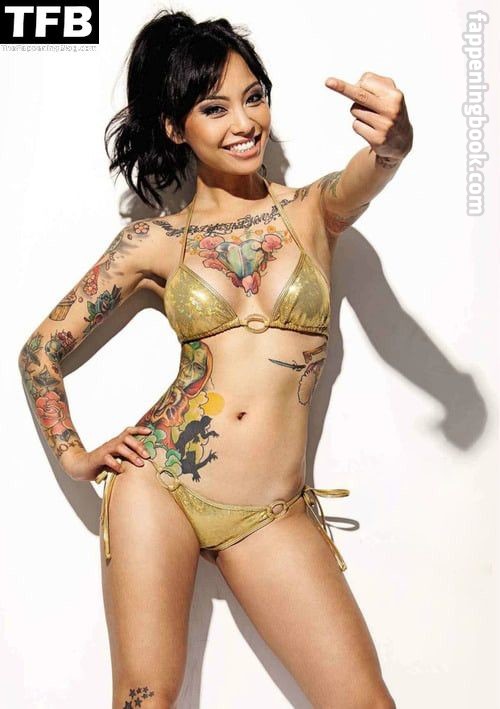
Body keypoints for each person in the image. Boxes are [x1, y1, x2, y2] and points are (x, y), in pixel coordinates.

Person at [19, 8, 412, 708]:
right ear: (177, 127)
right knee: (145, 699)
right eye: (214, 107)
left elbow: (369, 173)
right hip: (159, 484)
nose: (244, 122)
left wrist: (394, 145)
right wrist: (75, 456)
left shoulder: (311, 210)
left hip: (270, 511)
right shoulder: (155, 242)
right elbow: (40, 352)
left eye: (254, 97)